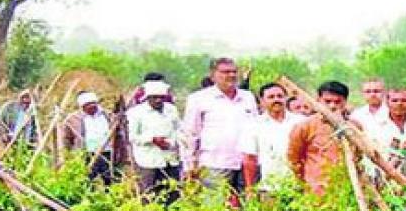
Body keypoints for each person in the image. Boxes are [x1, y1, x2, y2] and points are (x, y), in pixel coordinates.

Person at [182, 57, 260, 198]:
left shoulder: (248, 98)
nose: (231, 75)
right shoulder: (199, 99)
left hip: (245, 165)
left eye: (234, 72)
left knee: (248, 208)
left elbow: (255, 130)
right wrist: (190, 166)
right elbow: (190, 134)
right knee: (215, 209)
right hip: (214, 163)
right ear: (213, 76)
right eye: (225, 72)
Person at [288, 81, 350, 196]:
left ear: (345, 102)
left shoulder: (353, 127)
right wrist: (307, 183)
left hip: (346, 191)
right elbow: (294, 160)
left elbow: (358, 158)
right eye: (327, 101)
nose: (332, 106)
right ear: (318, 100)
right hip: (316, 193)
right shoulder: (305, 127)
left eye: (337, 102)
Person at [241, 83, 305, 192]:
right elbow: (249, 159)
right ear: (262, 101)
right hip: (269, 188)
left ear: (286, 98)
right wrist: (250, 189)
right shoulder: (254, 125)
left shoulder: (301, 122)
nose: (276, 100)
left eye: (280, 96)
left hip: (298, 187)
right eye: (271, 97)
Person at [127, 81, 182, 200]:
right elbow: (132, 136)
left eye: (161, 97)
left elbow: (179, 130)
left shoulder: (171, 110)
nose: (158, 100)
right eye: (154, 97)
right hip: (148, 160)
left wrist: (171, 142)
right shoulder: (136, 113)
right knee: (149, 193)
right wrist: (152, 140)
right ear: (147, 98)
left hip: (170, 158)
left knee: (172, 193)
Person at [62, 91, 117, 184]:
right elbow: (67, 138)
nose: (91, 106)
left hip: (107, 153)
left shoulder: (108, 115)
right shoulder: (73, 119)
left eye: (93, 103)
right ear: (82, 107)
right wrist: (68, 154)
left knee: (109, 179)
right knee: (87, 180)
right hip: (86, 154)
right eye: (87, 105)